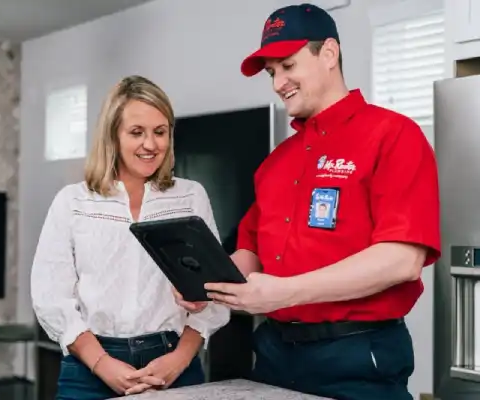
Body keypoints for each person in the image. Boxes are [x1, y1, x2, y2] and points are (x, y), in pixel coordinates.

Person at [175, 4, 441, 400]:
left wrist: (287, 292)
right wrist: (207, 285)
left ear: (329, 54)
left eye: (287, 65)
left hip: (357, 357)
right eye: (271, 72)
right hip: (274, 355)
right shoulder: (276, 162)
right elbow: (250, 251)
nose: (278, 82)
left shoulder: (393, 135)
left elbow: (402, 259)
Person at [31, 75, 230, 400]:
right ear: (113, 136)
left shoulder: (191, 197)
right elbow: (50, 295)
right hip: (89, 368)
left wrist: (178, 360)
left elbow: (214, 293)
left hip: (174, 362)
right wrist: (102, 364)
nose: (150, 144)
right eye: (136, 132)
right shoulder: (73, 202)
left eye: (160, 132)